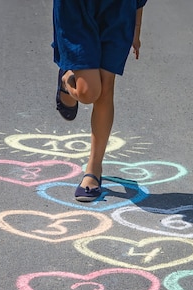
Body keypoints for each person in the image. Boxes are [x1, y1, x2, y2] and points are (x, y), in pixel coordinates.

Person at [53, 0, 146, 201]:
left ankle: (93, 169)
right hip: (77, 9)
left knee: (106, 87)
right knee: (88, 93)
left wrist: (137, 28)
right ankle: (68, 80)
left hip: (118, 9)